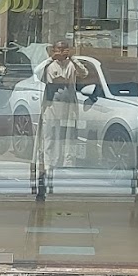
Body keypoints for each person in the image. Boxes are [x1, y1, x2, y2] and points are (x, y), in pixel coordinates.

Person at [33, 41, 89, 200]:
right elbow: (37, 72)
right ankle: (49, 164)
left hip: (68, 105)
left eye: (65, 49)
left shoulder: (71, 64)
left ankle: (67, 164)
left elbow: (84, 73)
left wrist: (73, 58)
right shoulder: (49, 65)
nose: (62, 51)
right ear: (53, 50)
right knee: (50, 135)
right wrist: (51, 58)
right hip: (51, 104)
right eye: (59, 49)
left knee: (67, 135)